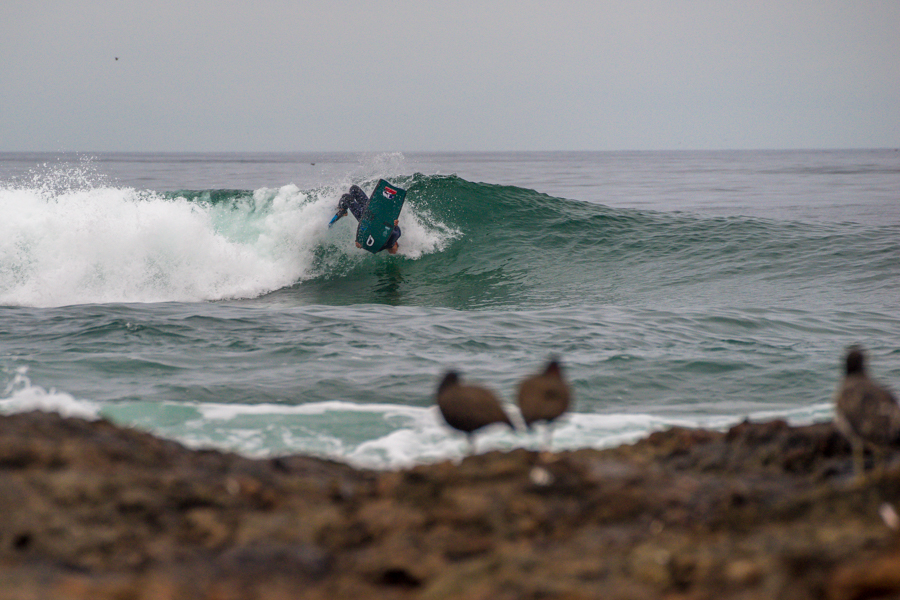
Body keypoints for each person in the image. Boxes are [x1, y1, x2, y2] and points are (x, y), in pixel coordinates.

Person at [335, 185, 402, 254]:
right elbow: (392, 222)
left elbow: (365, 239)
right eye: (395, 250)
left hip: (365, 219)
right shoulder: (397, 234)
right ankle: (341, 207)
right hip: (372, 210)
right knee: (354, 189)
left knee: (347, 198)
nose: (393, 252)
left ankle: (342, 209)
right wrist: (395, 222)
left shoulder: (378, 247)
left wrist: (359, 243)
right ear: (396, 244)